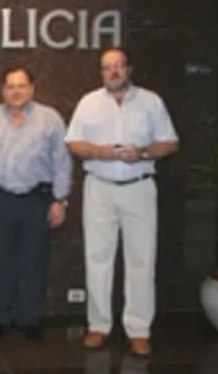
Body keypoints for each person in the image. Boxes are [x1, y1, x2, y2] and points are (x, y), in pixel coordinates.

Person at [65, 47, 178, 356]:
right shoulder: (89, 103)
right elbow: (74, 142)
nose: (113, 72)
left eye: (118, 66)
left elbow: (169, 142)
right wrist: (99, 152)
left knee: (141, 260)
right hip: (99, 186)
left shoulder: (150, 102)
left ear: (129, 69)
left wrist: (142, 153)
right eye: (107, 68)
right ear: (101, 73)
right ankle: (98, 326)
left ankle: (139, 330)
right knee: (98, 258)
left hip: (139, 187)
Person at [0, 67, 73, 341]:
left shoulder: (50, 119)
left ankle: (30, 319)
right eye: (10, 86)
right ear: (2, 90)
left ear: (32, 88)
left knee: (34, 262)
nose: (16, 91)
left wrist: (61, 199)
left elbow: (62, 162)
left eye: (22, 85)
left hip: (37, 198)